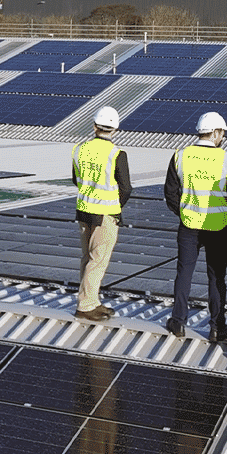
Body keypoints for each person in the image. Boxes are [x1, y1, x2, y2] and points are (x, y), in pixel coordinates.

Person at [162, 111, 227, 343]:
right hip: (219, 227)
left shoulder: (180, 156)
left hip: (189, 224)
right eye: (223, 134)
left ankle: (178, 322)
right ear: (216, 133)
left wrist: (183, 212)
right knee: (217, 277)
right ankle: (217, 327)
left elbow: (170, 192)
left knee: (184, 273)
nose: (223, 138)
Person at [72, 105, 131, 321]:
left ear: (95, 126)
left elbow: (75, 179)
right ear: (115, 129)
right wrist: (116, 206)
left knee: (88, 258)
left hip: (83, 209)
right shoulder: (117, 154)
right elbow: (126, 187)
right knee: (98, 259)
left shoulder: (79, 149)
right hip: (105, 213)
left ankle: (91, 300)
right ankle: (86, 305)